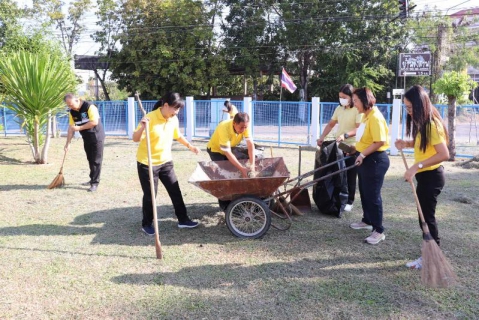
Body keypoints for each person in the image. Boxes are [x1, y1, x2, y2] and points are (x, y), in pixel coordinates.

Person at [395, 85, 449, 269]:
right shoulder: (424, 123)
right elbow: (425, 146)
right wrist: (407, 143)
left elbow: (443, 154)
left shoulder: (431, 125)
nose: (408, 112)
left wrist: (415, 167)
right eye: (406, 108)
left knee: (427, 218)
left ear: (420, 105)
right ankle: (430, 253)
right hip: (426, 176)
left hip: (432, 176)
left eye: (410, 108)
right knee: (423, 217)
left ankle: (432, 256)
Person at [132, 92, 201, 235]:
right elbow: (135, 138)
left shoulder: (173, 119)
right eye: (175, 108)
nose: (177, 112)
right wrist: (142, 127)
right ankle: (147, 224)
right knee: (151, 194)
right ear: (166, 105)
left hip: (165, 161)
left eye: (179, 109)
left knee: (175, 190)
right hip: (147, 163)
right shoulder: (150, 118)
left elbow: (178, 135)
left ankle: (183, 220)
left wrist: (190, 146)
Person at [348, 87, 390, 245]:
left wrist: (363, 154)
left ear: (365, 100)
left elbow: (380, 141)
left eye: (356, 101)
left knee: (373, 195)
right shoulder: (366, 116)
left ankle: (379, 230)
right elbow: (365, 139)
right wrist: (355, 150)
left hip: (375, 160)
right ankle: (367, 220)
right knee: (365, 192)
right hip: (365, 158)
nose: (354, 104)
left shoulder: (375, 117)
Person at [317, 84, 362, 212]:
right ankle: (337, 197)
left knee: (350, 174)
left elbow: (359, 128)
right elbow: (331, 124)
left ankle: (350, 201)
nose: (341, 99)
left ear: (352, 97)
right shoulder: (339, 108)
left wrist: (345, 135)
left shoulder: (357, 109)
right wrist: (322, 136)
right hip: (339, 145)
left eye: (344, 97)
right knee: (337, 172)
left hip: (352, 145)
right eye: (340, 97)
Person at [207, 112, 255, 210]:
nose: (244, 130)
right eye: (241, 127)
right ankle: (225, 205)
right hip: (216, 151)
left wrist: (252, 164)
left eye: (245, 127)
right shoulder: (223, 127)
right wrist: (242, 169)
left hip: (230, 148)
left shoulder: (245, 125)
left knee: (234, 172)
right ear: (234, 123)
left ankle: (237, 200)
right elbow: (227, 153)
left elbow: (250, 145)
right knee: (222, 176)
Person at [64, 93, 105, 192]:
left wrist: (79, 128)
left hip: (96, 136)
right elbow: (71, 128)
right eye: (68, 105)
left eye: (71, 104)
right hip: (86, 137)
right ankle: (92, 179)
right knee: (90, 159)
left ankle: (95, 183)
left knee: (96, 160)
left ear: (77, 100)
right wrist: (67, 143)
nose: (70, 107)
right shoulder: (72, 112)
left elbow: (94, 122)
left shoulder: (89, 107)